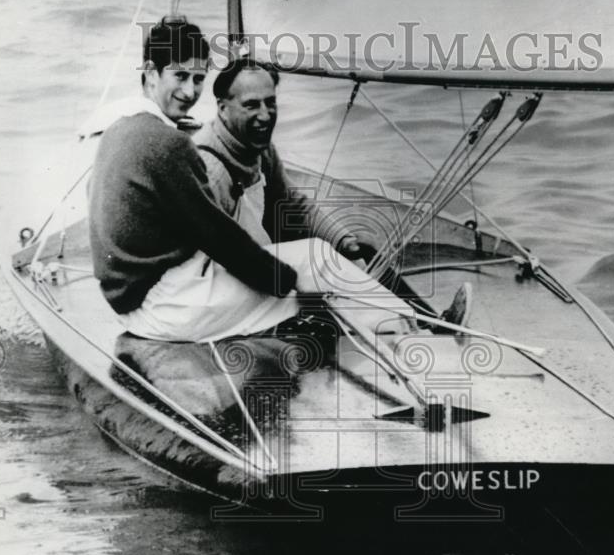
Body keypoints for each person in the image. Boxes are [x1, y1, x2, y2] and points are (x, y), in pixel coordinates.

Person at [89, 18, 467, 344]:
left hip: (136, 302)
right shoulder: (170, 144)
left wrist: (333, 250)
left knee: (320, 265)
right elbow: (221, 240)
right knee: (315, 269)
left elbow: (286, 206)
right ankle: (416, 338)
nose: (190, 91)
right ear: (151, 73)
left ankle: (410, 327)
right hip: (164, 303)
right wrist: (288, 280)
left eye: (198, 78)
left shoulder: (120, 129)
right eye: (180, 76)